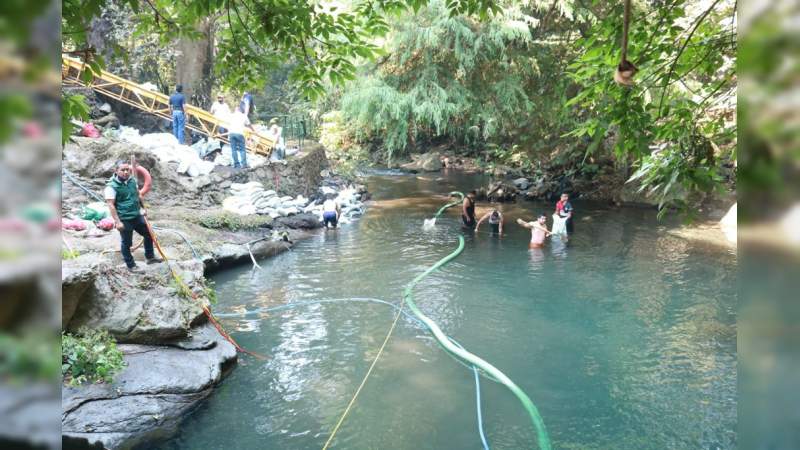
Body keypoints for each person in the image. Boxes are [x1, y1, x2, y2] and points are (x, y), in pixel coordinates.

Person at [104, 161, 162, 272]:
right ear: (116, 171)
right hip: (124, 218)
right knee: (127, 243)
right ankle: (131, 265)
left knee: (149, 234)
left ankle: (150, 257)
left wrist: (143, 208)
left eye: (127, 169)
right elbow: (111, 205)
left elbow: (138, 194)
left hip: (136, 215)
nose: (126, 172)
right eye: (122, 170)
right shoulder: (111, 186)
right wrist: (118, 222)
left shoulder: (132, 181)